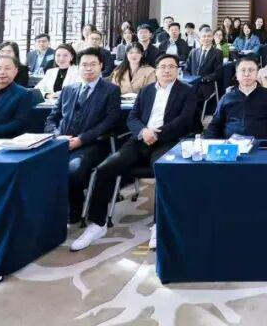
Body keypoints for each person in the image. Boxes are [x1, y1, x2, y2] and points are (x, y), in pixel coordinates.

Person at [71, 54, 199, 252]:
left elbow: (185, 120)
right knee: (105, 169)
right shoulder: (146, 90)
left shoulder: (187, 91)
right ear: (156, 70)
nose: (166, 70)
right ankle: (98, 224)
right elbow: (132, 117)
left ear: (177, 70)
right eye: (162, 67)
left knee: (163, 170)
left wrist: (157, 134)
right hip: (140, 140)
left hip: (167, 140)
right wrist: (143, 131)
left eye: (171, 67)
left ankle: (159, 225)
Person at [45, 49, 123, 223]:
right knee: (37, 166)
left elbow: (109, 122)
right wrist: (57, 137)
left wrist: (81, 140)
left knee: (73, 169)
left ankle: (75, 206)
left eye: (93, 64)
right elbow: (52, 118)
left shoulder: (111, 90)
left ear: (101, 66)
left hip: (92, 144)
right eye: (84, 65)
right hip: (61, 142)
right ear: (78, 67)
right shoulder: (68, 89)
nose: (88, 68)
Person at [206, 56, 267, 139]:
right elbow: (215, 124)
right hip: (232, 144)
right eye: (243, 70)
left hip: (260, 143)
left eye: (251, 70)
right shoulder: (227, 98)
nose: (247, 74)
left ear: (257, 73)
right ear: (236, 75)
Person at [187, 25, 224, 97]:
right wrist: (190, 79)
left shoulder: (218, 53)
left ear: (212, 37)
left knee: (193, 95)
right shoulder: (193, 51)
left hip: (206, 83)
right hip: (192, 82)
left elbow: (218, 73)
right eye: (204, 36)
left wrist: (203, 79)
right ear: (200, 38)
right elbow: (187, 69)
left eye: (209, 36)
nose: (206, 38)